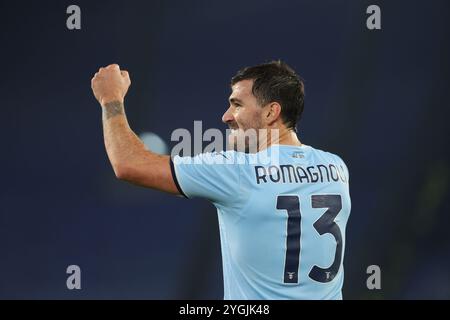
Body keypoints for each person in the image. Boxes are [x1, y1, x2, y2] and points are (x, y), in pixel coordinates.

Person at [91, 61, 351, 299]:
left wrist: (110, 99)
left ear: (272, 112)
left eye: (237, 104)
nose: (226, 116)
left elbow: (128, 164)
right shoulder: (335, 167)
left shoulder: (236, 170)